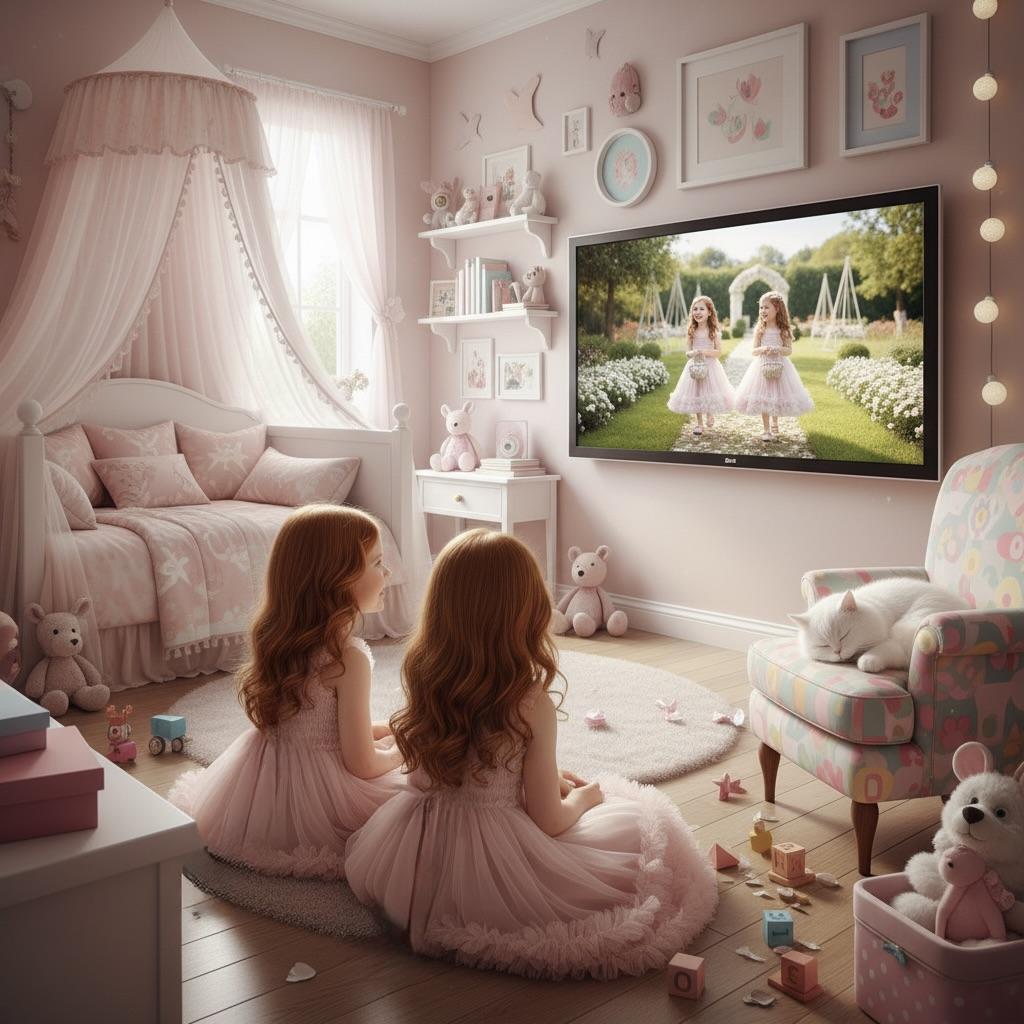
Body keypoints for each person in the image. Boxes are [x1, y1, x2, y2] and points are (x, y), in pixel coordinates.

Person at [344, 529, 718, 980]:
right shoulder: (528, 700)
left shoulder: (424, 675)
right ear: (525, 610)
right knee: (636, 821)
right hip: (492, 866)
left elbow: (463, 770)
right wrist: (586, 798)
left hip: (411, 855)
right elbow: (550, 820)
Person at [169, 504, 404, 879]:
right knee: (415, 803)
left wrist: (384, 729)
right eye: (377, 563)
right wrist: (402, 750)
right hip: (321, 798)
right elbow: (361, 763)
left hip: (265, 783)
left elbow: (315, 726)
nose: (387, 573)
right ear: (337, 579)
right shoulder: (348, 658)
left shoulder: (279, 639)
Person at [733, 290, 814, 441]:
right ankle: (766, 429)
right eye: (761, 307)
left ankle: (775, 421)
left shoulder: (783, 329)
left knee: (777, 395)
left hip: (780, 367)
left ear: (777, 309)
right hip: (762, 367)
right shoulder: (760, 329)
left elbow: (788, 350)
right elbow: (754, 351)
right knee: (764, 397)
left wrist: (777, 349)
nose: (763, 310)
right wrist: (763, 349)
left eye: (766, 307)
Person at [666, 295, 734, 434]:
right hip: (695, 366)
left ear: (709, 312)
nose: (697, 312)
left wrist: (703, 352)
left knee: (709, 390)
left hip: (711, 366)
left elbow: (718, 352)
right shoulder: (691, 331)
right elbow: (688, 351)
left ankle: (710, 413)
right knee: (696, 393)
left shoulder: (713, 331)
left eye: (701, 309)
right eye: (695, 309)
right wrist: (693, 353)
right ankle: (699, 423)